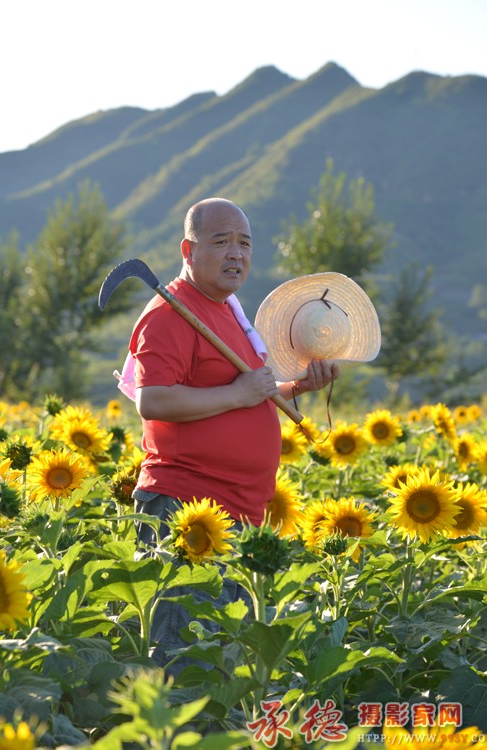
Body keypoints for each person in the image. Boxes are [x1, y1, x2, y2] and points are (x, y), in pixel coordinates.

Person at [127, 197, 339, 673]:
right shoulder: (170, 313)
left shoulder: (227, 312)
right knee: (183, 659)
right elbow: (154, 400)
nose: (236, 254)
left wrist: (296, 386)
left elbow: (248, 391)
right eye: (221, 242)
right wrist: (241, 396)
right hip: (186, 507)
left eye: (244, 243)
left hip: (240, 514)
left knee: (222, 661)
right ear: (188, 249)